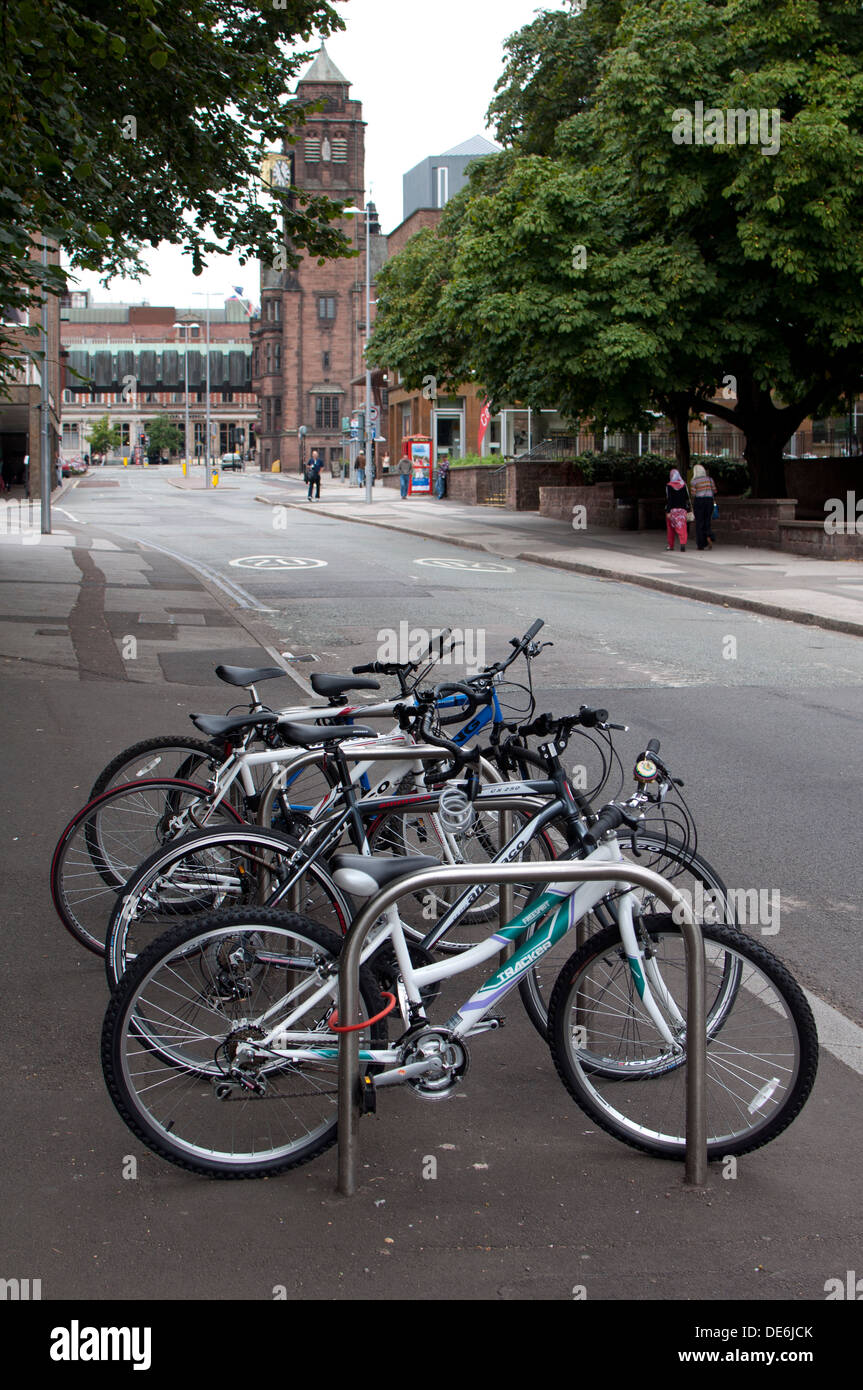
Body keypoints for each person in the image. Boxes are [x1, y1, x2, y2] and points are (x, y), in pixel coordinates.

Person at [690, 463, 717, 550]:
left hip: (699, 501)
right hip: (709, 501)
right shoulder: (710, 479)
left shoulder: (694, 481)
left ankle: (701, 544)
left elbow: (693, 494)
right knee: (707, 520)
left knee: (699, 522)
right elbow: (715, 490)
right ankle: (709, 535)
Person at [665, 467, 691, 551]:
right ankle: (683, 543)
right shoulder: (684, 485)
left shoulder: (669, 486)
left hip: (672, 510)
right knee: (682, 527)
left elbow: (669, 499)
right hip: (682, 510)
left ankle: (671, 545)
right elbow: (687, 498)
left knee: (670, 529)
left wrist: (668, 511)